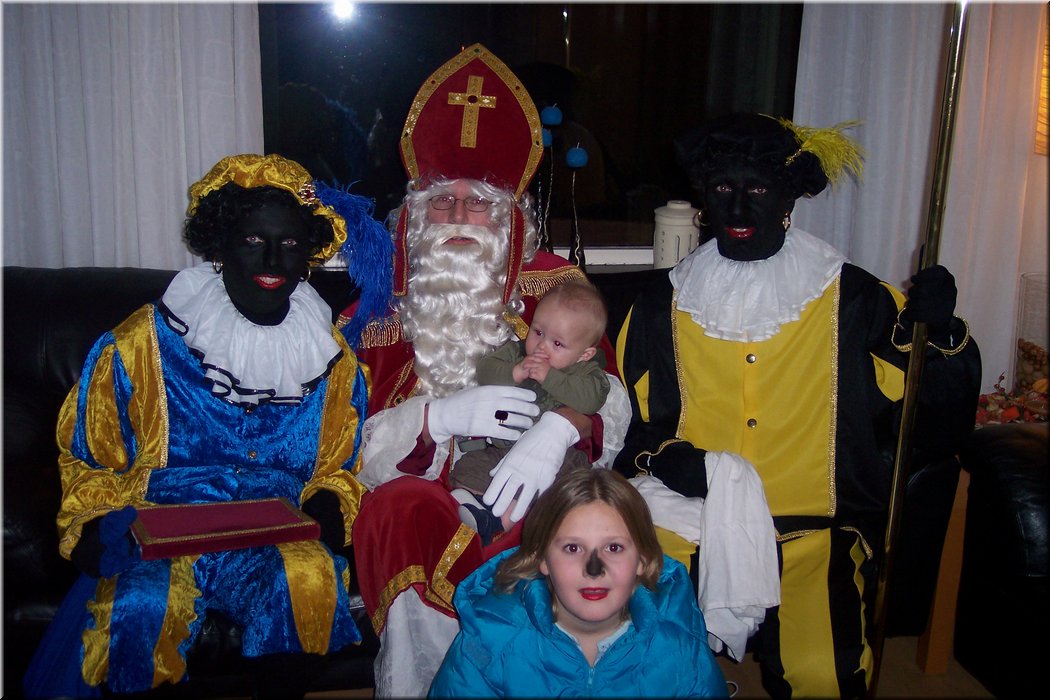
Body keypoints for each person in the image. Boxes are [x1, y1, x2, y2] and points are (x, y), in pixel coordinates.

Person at [614, 113, 982, 698]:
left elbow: (930, 412)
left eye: (758, 190)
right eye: (722, 189)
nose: (738, 209)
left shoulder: (856, 299)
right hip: (689, 515)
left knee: (820, 673)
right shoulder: (662, 302)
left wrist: (941, 331)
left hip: (814, 527)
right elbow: (629, 422)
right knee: (640, 656)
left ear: (789, 199)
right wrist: (664, 457)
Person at [26, 154, 386, 698]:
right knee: (141, 604)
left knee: (308, 582)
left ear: (308, 254)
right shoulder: (140, 343)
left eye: (290, 243)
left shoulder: (330, 357)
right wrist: (94, 520)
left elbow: (339, 462)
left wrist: (332, 501)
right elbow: (90, 454)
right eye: (253, 240)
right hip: (163, 527)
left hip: (271, 531)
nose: (272, 259)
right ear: (220, 245)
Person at [340, 44, 631, 697]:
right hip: (424, 493)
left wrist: (558, 429)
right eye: (442, 202)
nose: (458, 217)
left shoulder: (555, 287)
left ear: (507, 217)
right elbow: (338, 440)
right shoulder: (372, 313)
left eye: (478, 203)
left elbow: (610, 395)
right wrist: (434, 419)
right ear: (415, 215)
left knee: (559, 510)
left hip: (532, 486)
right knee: (397, 507)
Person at [428, 468, 728, 698]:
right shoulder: (489, 645)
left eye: (614, 548)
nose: (594, 569)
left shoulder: (682, 651)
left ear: (642, 560)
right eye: (573, 548)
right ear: (542, 559)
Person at [450, 279, 612, 544]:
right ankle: (478, 506)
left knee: (567, 487)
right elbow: (485, 370)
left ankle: (501, 523)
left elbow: (591, 401)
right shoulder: (516, 353)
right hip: (501, 448)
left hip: (558, 457)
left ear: (585, 354)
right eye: (538, 332)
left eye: (557, 344)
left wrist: (550, 377)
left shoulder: (587, 372)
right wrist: (515, 372)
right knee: (469, 468)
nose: (541, 346)